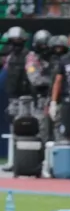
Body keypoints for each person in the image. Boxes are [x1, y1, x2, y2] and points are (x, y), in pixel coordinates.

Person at [2, 26, 30, 172]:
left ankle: (28, 161)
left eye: (18, 40)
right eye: (12, 40)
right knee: (14, 129)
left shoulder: (29, 56)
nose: (15, 43)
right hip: (12, 97)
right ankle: (14, 161)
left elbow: (32, 76)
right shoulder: (10, 57)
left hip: (26, 98)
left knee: (28, 128)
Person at [25, 30, 53, 142]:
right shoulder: (32, 58)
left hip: (56, 99)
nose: (45, 48)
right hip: (40, 98)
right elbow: (35, 79)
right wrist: (54, 81)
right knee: (42, 129)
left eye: (46, 45)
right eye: (42, 45)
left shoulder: (55, 57)